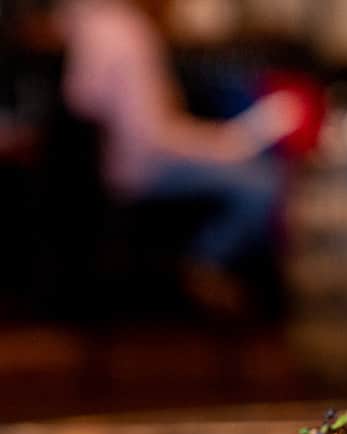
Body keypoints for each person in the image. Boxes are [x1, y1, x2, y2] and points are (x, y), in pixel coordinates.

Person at [59, 0, 302, 316]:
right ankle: (205, 266)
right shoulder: (128, 33)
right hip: (140, 168)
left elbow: (82, 101)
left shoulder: (91, 22)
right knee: (266, 184)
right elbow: (153, 136)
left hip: (108, 166)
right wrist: (222, 143)